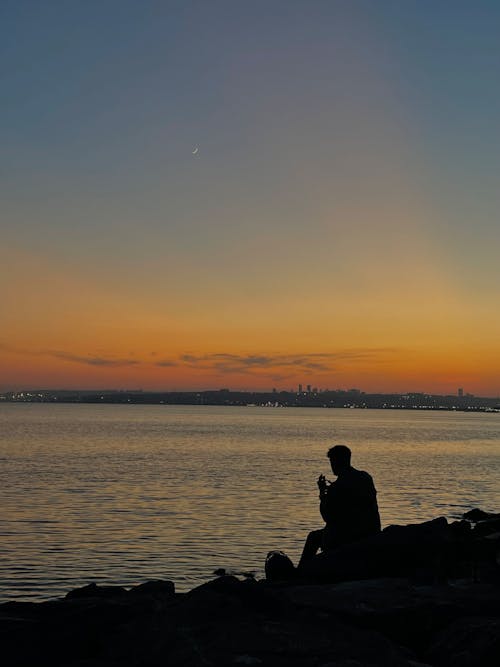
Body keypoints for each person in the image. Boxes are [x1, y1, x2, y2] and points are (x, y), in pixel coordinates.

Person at [298, 445, 381, 567]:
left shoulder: (337, 486)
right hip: (371, 530)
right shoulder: (365, 477)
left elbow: (327, 517)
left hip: (350, 536)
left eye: (332, 461)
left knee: (314, 537)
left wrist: (323, 494)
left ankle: (300, 572)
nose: (331, 465)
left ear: (336, 462)